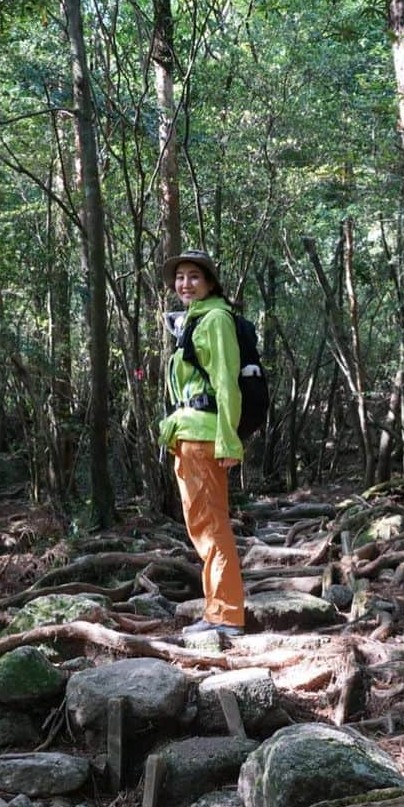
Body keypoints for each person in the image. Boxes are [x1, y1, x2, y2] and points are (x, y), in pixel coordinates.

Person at [159, 250, 246, 638]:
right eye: (180, 277)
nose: (185, 284)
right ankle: (217, 611)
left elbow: (227, 381)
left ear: (210, 283)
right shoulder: (191, 322)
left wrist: (230, 441)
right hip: (188, 434)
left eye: (194, 276)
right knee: (202, 526)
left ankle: (226, 616)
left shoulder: (215, 319)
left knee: (211, 525)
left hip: (205, 436)